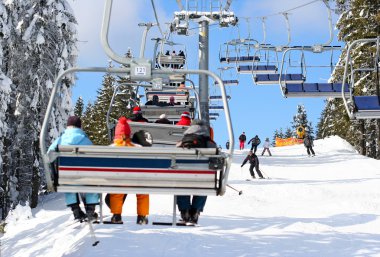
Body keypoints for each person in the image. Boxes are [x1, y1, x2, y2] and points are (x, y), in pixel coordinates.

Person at [48, 116, 99, 221]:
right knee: (91, 184)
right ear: (80, 127)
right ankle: (90, 211)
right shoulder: (86, 140)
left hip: (67, 177)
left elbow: (49, 154)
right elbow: (95, 156)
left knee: (69, 184)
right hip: (85, 177)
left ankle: (76, 212)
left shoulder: (60, 140)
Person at [106, 116, 150, 224]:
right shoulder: (138, 148)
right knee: (143, 192)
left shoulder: (111, 148)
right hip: (137, 181)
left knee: (116, 191)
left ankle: (116, 216)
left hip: (118, 181)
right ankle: (142, 217)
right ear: (129, 133)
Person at [176, 119, 217, 224]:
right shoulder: (208, 141)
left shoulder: (184, 139)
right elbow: (215, 156)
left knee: (181, 185)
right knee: (205, 185)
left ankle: (185, 212)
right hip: (202, 177)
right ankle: (195, 211)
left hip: (184, 175)